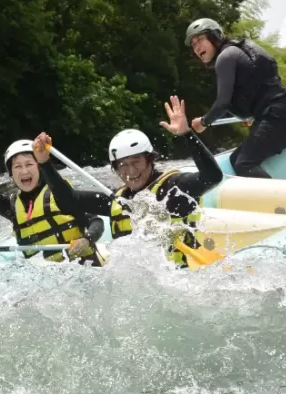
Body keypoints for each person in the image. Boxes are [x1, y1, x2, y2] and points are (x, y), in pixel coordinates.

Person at [32, 96, 223, 267]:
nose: (130, 171)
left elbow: (213, 177)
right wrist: (45, 163)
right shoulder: (118, 200)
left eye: (137, 162)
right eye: (122, 165)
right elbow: (69, 201)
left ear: (150, 160)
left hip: (184, 277)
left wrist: (187, 135)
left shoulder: (174, 188)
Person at [0, 129, 106, 266]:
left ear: (39, 168)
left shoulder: (61, 195)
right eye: (17, 166)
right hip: (43, 277)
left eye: (29, 164)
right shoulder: (12, 207)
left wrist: (87, 240)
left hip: (82, 267)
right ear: (11, 174)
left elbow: (96, 221)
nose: (24, 171)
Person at [186, 17, 286, 178]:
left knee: (244, 164)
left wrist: (204, 122)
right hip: (276, 113)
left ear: (215, 36)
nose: (197, 47)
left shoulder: (225, 58)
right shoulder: (238, 51)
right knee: (235, 159)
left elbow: (222, 103)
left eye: (200, 39)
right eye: (193, 44)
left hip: (276, 116)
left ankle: (279, 201)